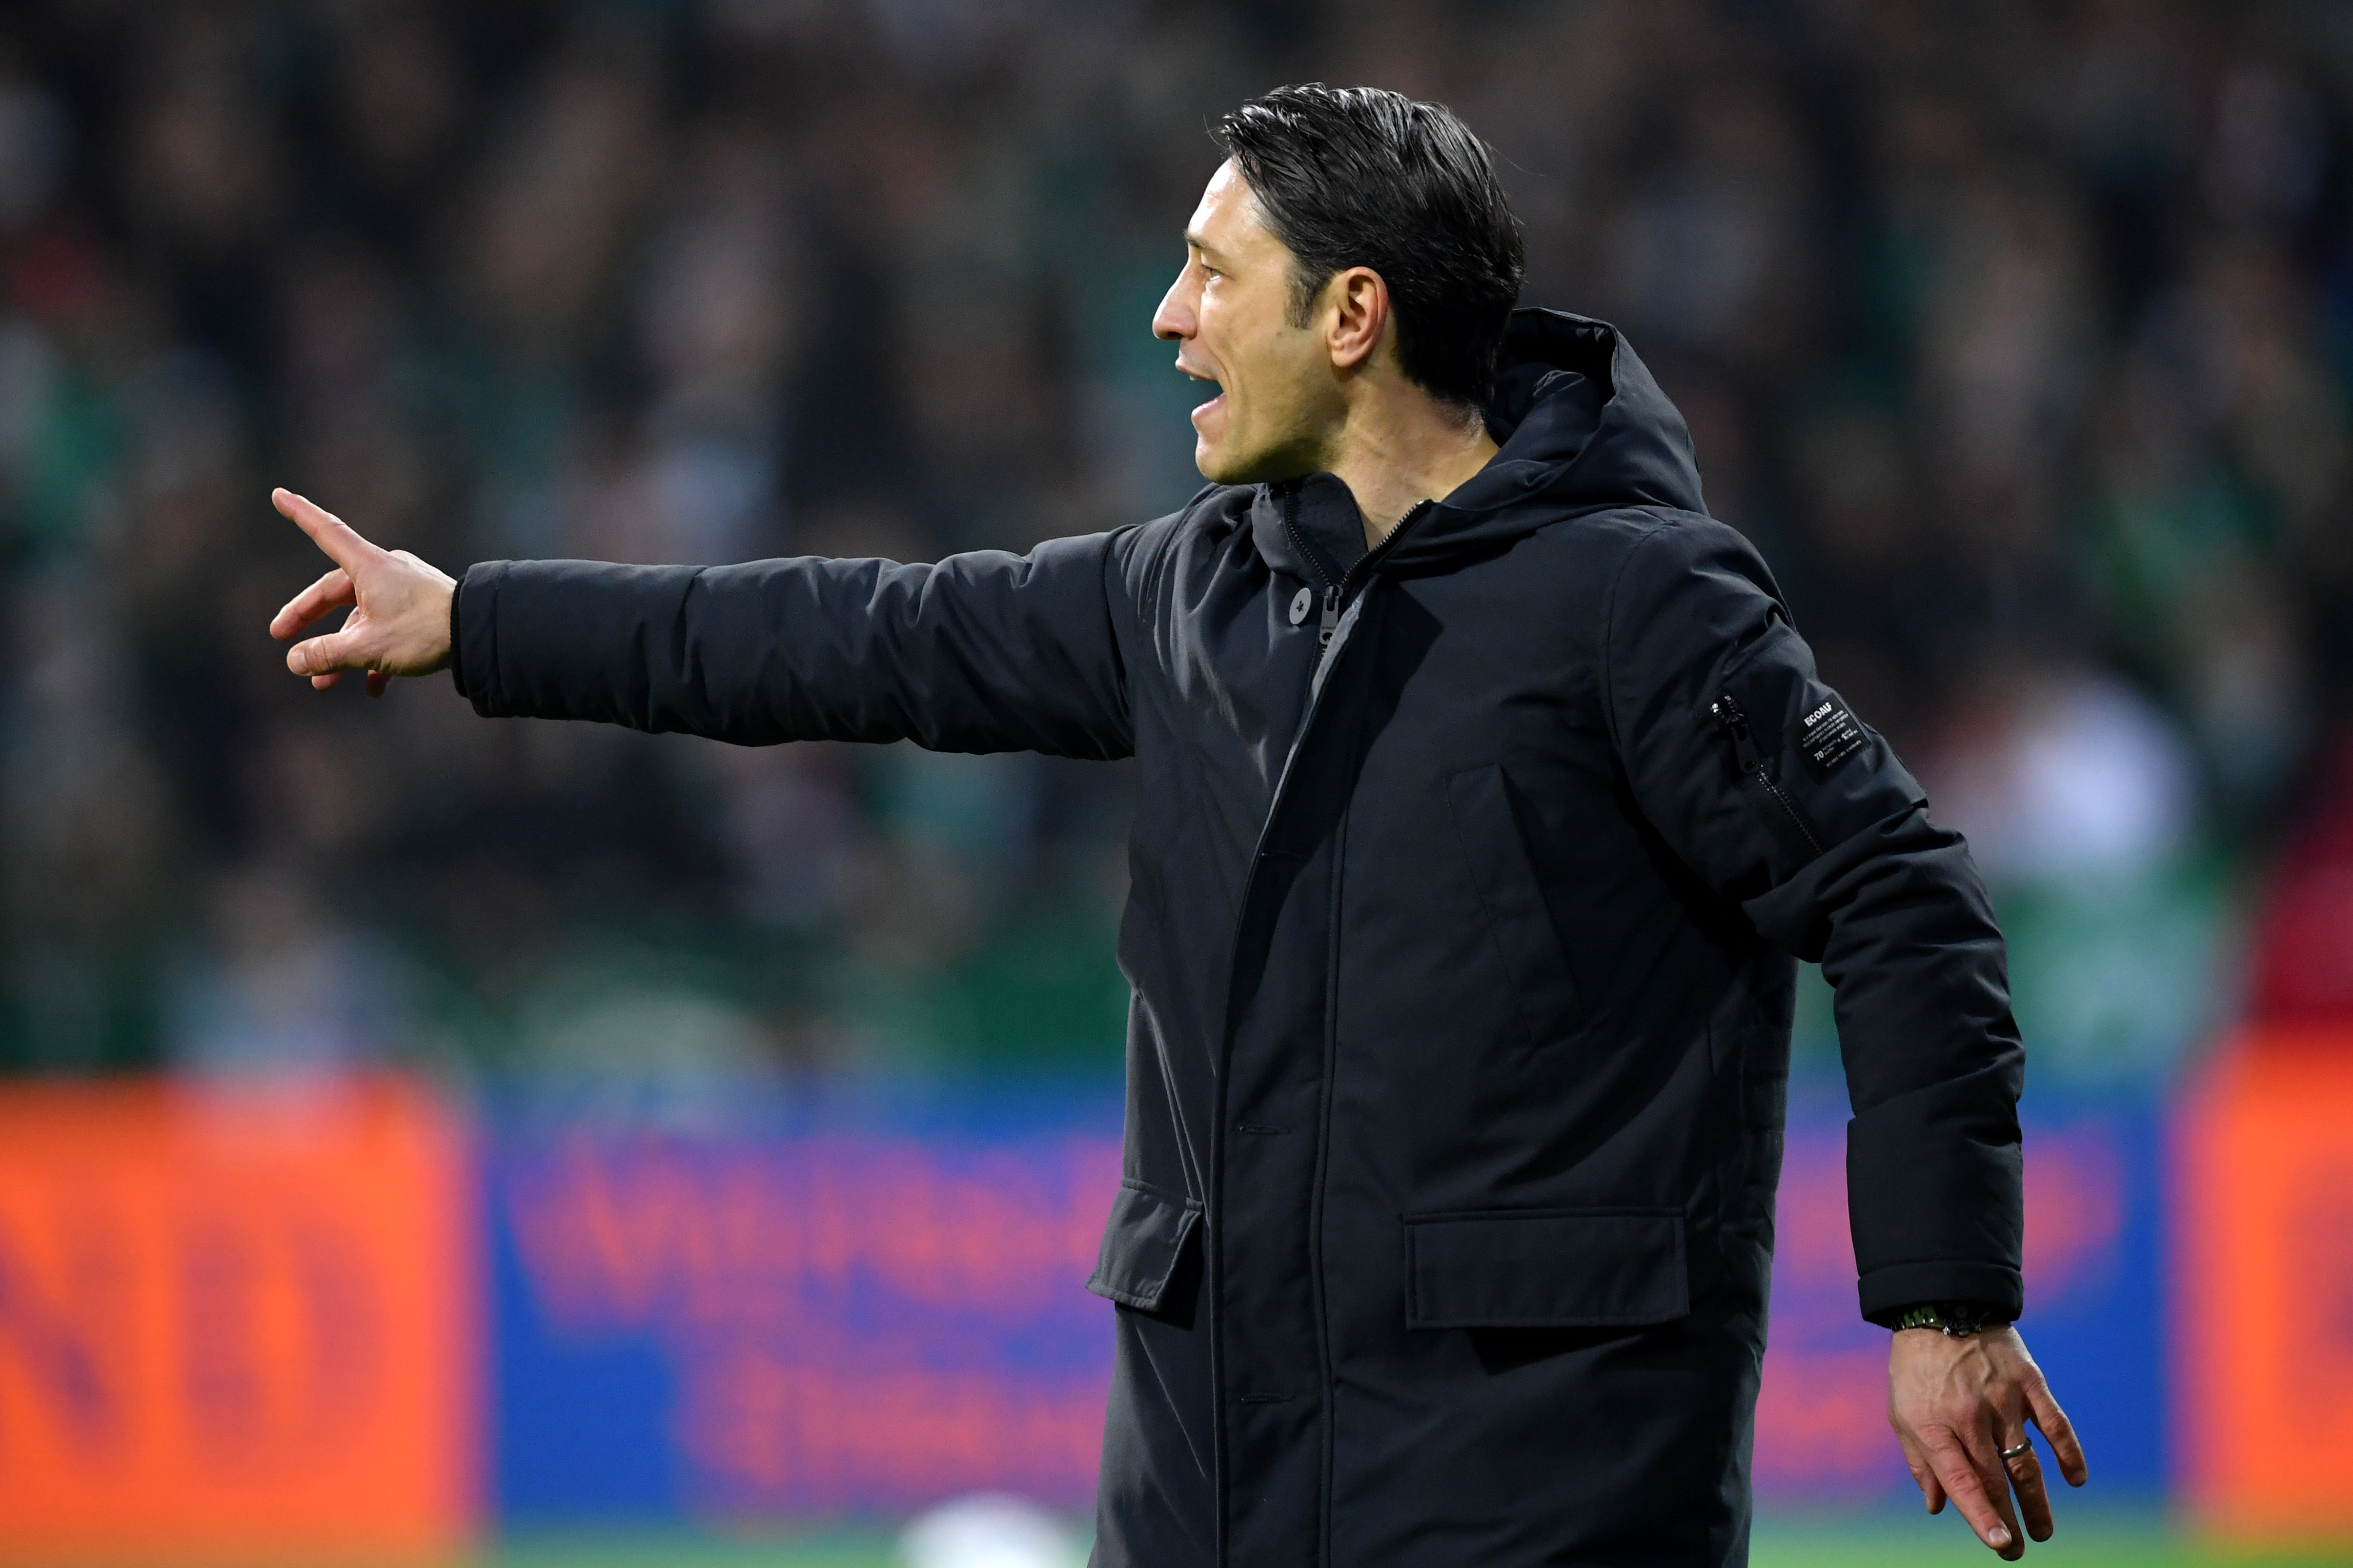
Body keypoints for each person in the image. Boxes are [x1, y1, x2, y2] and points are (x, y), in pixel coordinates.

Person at [271, 84, 2085, 1567]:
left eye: (1216, 273)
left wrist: (1942, 1306)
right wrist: (480, 620)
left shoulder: (1639, 604)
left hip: (1540, 1493)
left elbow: (1904, 901)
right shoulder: (1185, 596)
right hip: (1213, 1484)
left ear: (1353, 313)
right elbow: (837, 639)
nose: (1167, 316)